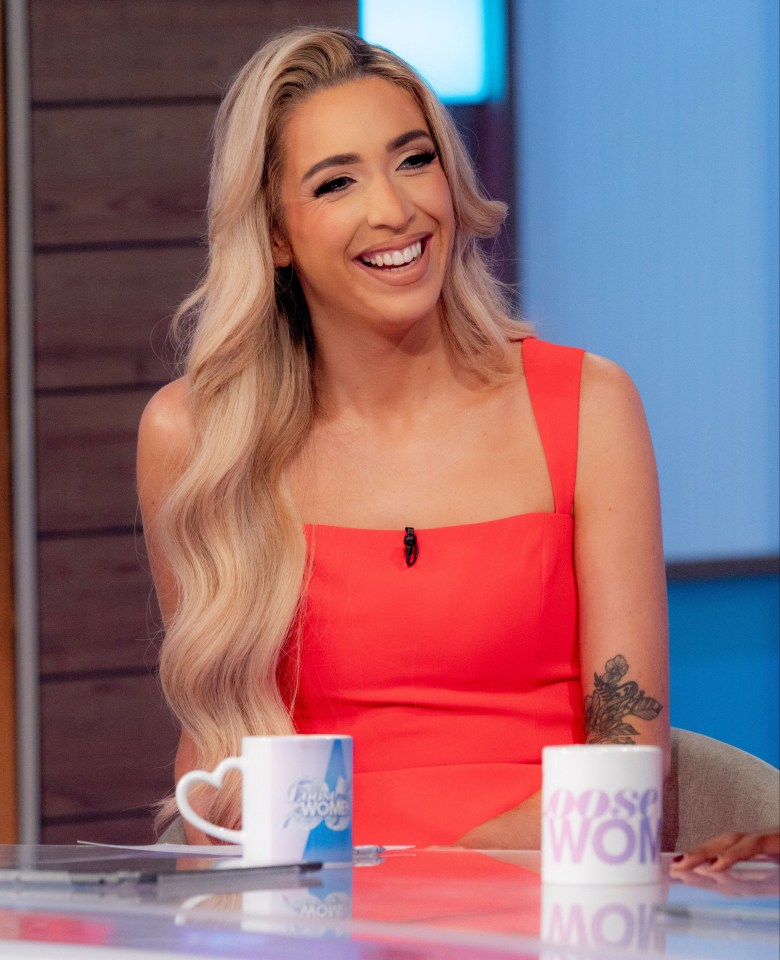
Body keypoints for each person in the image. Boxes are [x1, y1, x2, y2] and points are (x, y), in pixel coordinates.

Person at [137, 27, 670, 848]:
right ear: (275, 235)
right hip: (307, 919)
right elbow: (218, 758)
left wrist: (423, 899)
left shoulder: (591, 406)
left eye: (414, 159)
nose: (394, 209)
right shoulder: (198, 439)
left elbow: (631, 764)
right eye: (336, 182)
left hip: (549, 903)